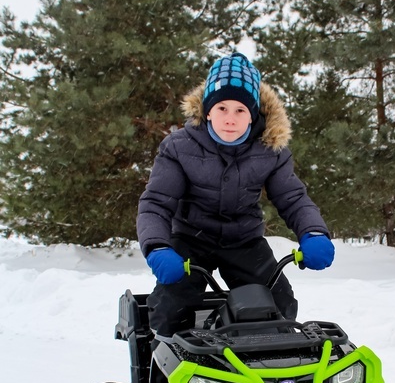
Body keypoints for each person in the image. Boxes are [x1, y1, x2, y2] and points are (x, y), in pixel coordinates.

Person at [137, 52, 334, 339]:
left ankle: (261, 374)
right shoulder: (178, 147)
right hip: (191, 241)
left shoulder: (270, 150)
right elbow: (156, 203)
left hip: (243, 241)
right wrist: (157, 247)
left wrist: (314, 232)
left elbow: (293, 198)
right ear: (207, 111)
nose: (230, 119)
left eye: (240, 110)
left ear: (253, 114)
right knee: (170, 309)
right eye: (222, 109)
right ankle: (161, 374)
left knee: (279, 306)